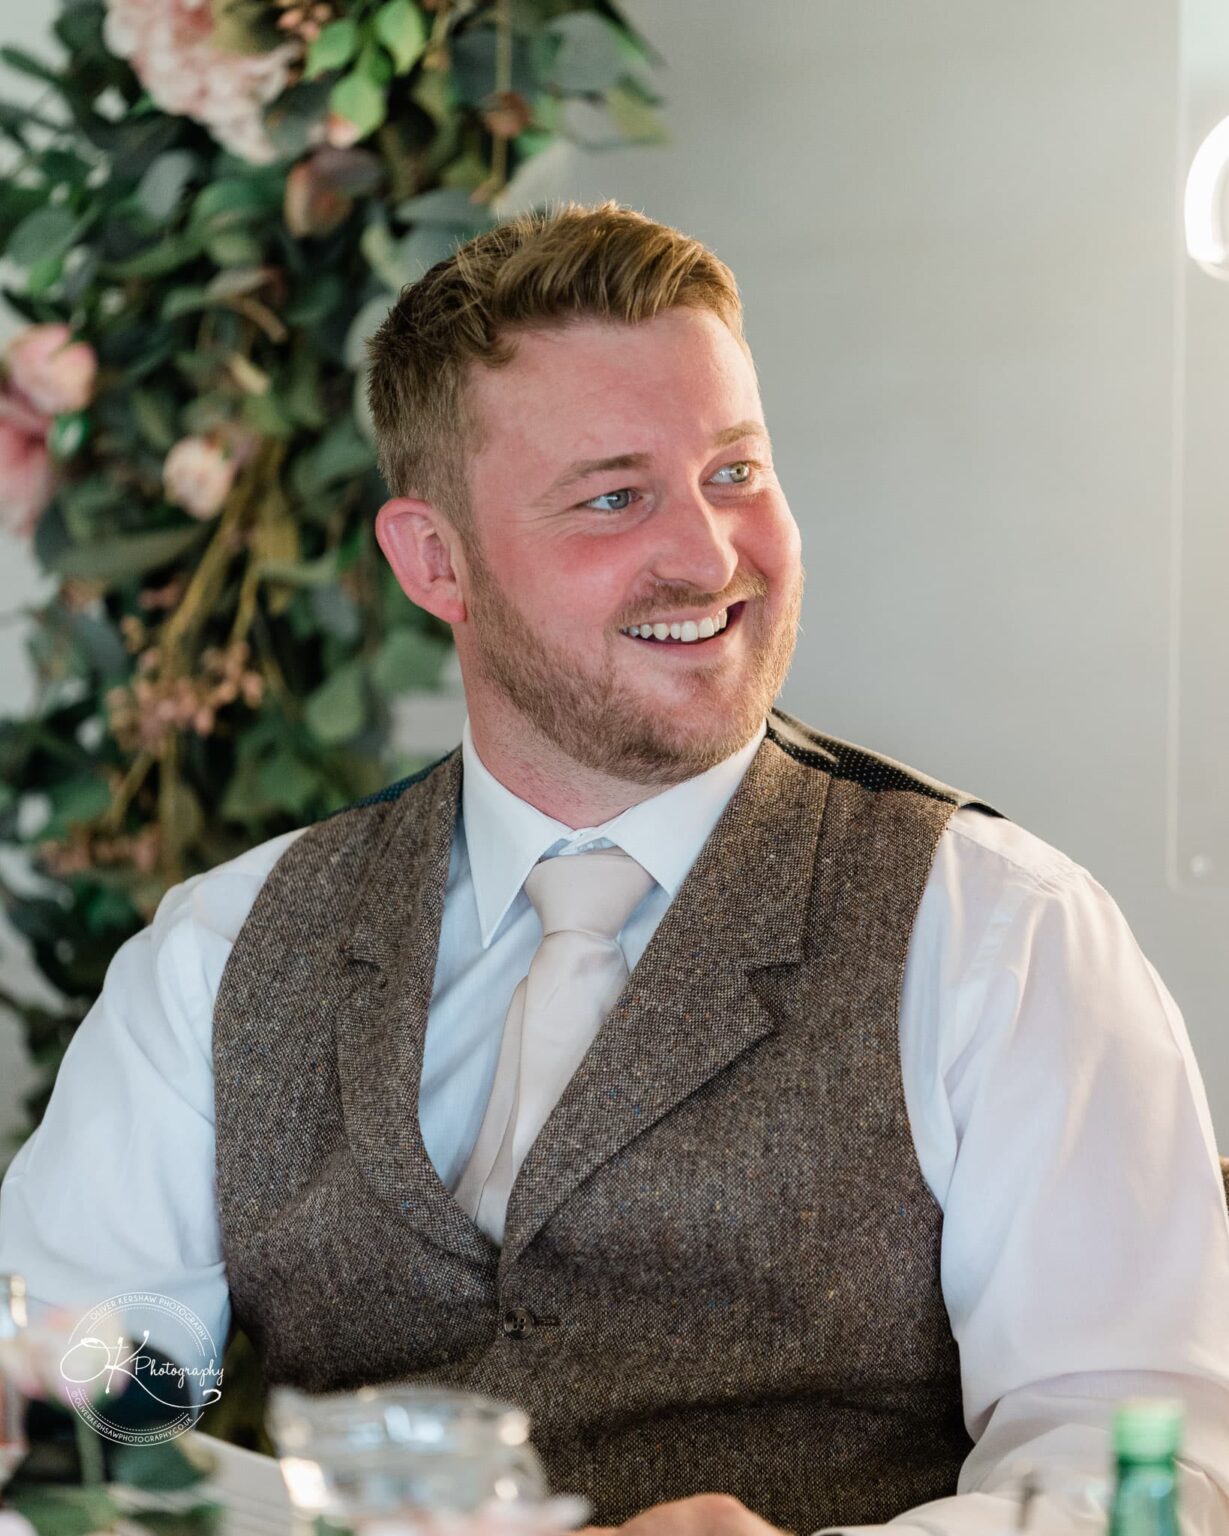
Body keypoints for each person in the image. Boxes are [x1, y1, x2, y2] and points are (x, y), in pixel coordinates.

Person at [2, 199, 1228, 1536]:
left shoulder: (1000, 931)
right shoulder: (224, 951)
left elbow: (1137, 1470)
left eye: (736, 472)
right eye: (612, 496)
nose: (708, 555)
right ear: (433, 559)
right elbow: (71, 1398)